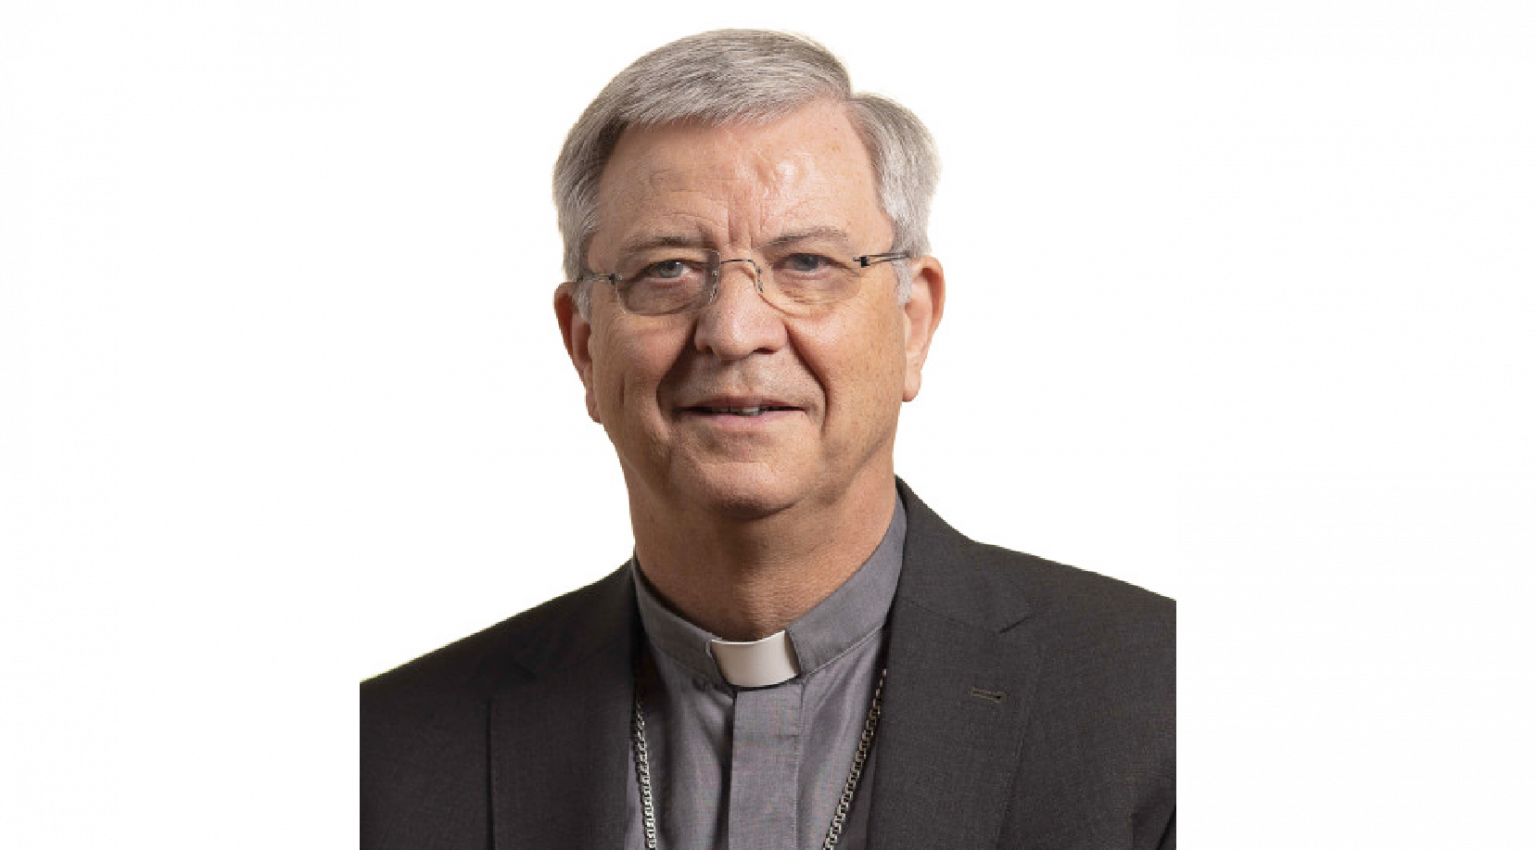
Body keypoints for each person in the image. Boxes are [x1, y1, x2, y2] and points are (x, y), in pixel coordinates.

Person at [359, 28, 1175, 850]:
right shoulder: (386, 760)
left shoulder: (1154, 707)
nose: (735, 330)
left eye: (808, 263)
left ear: (912, 323)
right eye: (667, 269)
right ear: (585, 344)